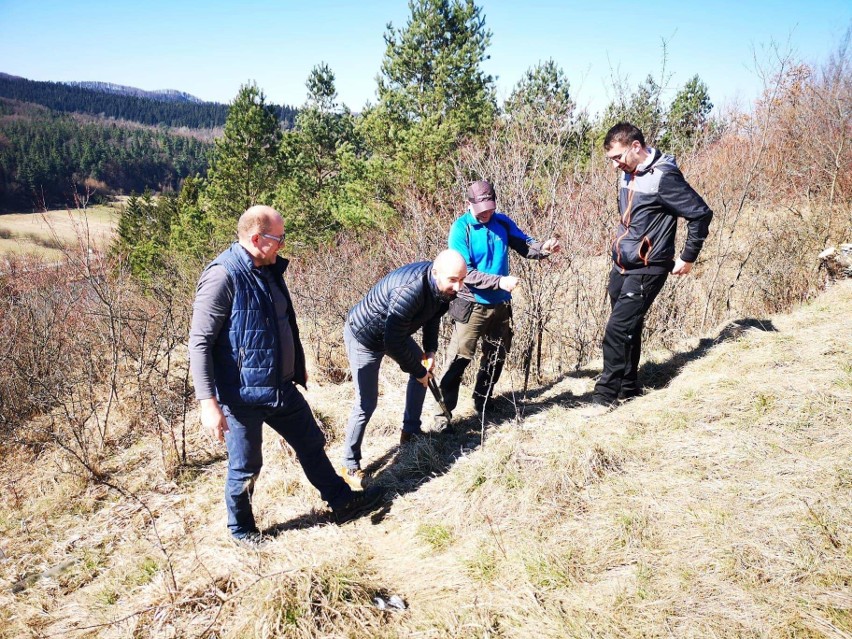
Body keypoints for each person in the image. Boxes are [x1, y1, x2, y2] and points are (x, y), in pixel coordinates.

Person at [189, 205, 383, 546]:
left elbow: (281, 324)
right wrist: (208, 402)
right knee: (246, 467)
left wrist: (295, 366)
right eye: (278, 238)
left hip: (280, 388)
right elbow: (200, 342)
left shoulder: (268, 269)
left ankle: (341, 501)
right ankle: (242, 531)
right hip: (240, 397)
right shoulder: (223, 275)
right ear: (255, 238)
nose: (282, 244)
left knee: (311, 443)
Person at [585, 122, 714, 414]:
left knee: (616, 329)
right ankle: (628, 388)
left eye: (618, 157)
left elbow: (700, 214)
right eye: (611, 160)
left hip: (649, 266)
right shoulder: (628, 174)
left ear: (635, 146)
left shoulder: (664, 177)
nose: (615, 164)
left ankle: (604, 396)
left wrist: (688, 256)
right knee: (629, 328)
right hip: (622, 263)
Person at [340, 250, 468, 488]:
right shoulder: (409, 290)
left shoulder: (442, 288)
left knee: (424, 371)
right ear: (436, 272)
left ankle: (410, 432)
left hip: (393, 333)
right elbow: (392, 342)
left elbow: (433, 316)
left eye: (462, 279)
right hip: (364, 337)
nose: (459, 287)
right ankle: (350, 465)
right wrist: (419, 372)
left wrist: (430, 351)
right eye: (453, 280)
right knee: (366, 402)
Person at [438, 180, 561, 422]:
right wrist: (499, 282)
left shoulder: (501, 221)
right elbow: (466, 273)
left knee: (496, 355)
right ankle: (442, 415)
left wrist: (543, 248)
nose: (486, 213)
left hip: (501, 304)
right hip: (471, 304)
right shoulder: (460, 229)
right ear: (469, 204)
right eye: (481, 208)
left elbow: (525, 245)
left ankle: (483, 401)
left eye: (490, 207)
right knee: (459, 359)